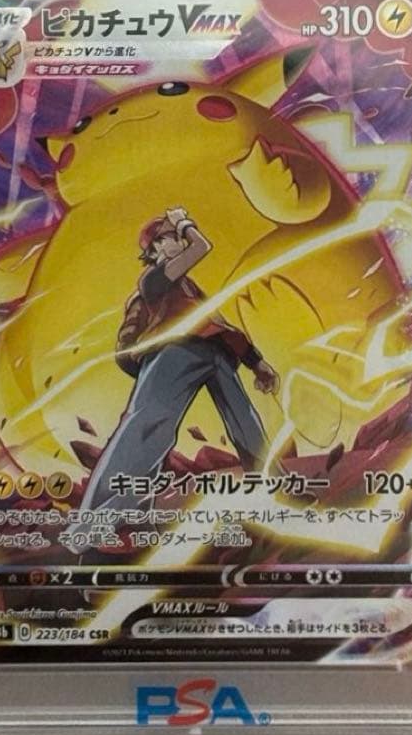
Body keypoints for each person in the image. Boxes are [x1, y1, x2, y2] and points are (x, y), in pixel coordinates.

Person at [78, 207, 280, 517]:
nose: (180, 240)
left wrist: (257, 363)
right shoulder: (153, 281)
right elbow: (201, 247)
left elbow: (219, 324)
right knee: (145, 430)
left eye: (175, 235)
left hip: (214, 353)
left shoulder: (191, 289)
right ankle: (98, 518)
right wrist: (183, 222)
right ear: (156, 248)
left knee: (246, 423)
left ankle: (277, 488)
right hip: (175, 353)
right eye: (171, 237)